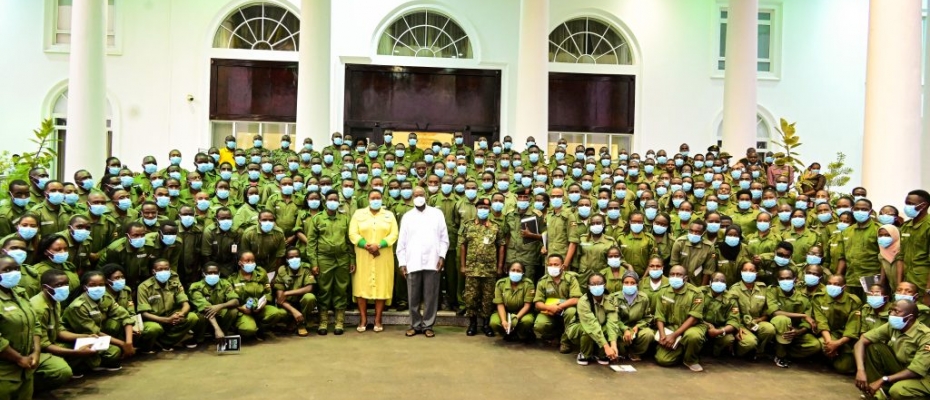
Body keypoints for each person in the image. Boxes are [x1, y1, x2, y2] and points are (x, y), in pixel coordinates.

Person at [396, 187, 449, 338]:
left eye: (421, 194)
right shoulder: (407, 216)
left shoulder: (437, 214)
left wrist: (442, 257)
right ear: (412, 197)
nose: (419, 197)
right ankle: (414, 325)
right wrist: (402, 262)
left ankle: (428, 325)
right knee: (413, 296)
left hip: (433, 261)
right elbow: (402, 242)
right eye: (416, 195)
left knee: (431, 295)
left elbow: (444, 238)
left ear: (425, 196)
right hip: (412, 261)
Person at [854, 299, 930, 399]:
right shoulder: (893, 326)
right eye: (891, 310)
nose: (892, 314)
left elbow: (916, 371)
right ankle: (878, 392)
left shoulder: (925, 336)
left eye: (896, 311)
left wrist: (884, 379)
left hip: (922, 376)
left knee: (897, 391)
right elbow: (862, 341)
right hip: (902, 367)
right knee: (873, 347)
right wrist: (860, 370)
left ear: (910, 317)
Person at [349, 190, 399, 333]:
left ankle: (378, 319)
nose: (375, 200)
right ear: (368, 199)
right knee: (361, 286)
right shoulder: (358, 214)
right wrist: (365, 245)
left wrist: (380, 245)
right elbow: (353, 233)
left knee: (382, 286)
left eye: (378, 198)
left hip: (383, 255)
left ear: (382, 199)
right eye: (373, 198)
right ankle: (363, 319)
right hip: (363, 254)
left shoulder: (389, 215)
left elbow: (394, 234)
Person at [305, 192, 355, 335]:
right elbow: (311, 243)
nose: (333, 202)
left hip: (342, 258)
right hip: (324, 259)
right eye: (330, 199)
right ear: (325, 201)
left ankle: (339, 321)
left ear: (339, 202)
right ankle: (323, 322)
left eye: (335, 200)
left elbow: (349, 241)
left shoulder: (345, 218)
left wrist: (352, 259)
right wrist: (314, 262)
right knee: (324, 290)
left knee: (341, 289)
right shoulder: (317, 219)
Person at [459, 198, 505, 337]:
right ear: (476, 208)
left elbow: (501, 246)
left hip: (489, 269)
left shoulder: (495, 227)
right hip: (472, 269)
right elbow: (462, 245)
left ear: (490, 209)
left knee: (488, 298)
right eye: (480, 207)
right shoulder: (468, 225)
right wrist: (463, 265)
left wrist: (500, 266)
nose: (483, 210)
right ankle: (472, 324)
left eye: (486, 207)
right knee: (471, 297)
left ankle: (486, 324)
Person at [136, 259, 202, 351]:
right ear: (153, 271)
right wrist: (167, 320)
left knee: (192, 317)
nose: (164, 271)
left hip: (171, 316)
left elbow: (185, 304)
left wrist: (180, 314)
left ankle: (165, 343)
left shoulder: (174, 283)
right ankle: (147, 347)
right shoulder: (144, 287)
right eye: (160, 269)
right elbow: (144, 313)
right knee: (153, 329)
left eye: (166, 269)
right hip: (154, 319)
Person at [0, 255, 41, 399]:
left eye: (16, 269)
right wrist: (18, 358)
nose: (13, 272)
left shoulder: (20, 293)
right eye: (7, 269)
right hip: (4, 373)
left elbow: (35, 324)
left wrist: (36, 352)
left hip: (26, 369)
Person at [28, 270, 77, 388]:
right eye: (59, 285)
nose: (64, 288)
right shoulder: (39, 308)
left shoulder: (55, 300)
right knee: (63, 370)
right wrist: (75, 352)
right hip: (36, 350)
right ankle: (31, 384)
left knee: (87, 346)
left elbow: (58, 329)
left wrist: (85, 337)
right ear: (45, 287)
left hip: (51, 342)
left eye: (66, 284)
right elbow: (43, 344)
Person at [654, 265, 707, 372]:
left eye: (679, 275)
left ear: (685, 278)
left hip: (692, 327)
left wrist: (674, 335)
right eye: (672, 274)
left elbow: (693, 318)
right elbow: (659, 316)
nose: (675, 277)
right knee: (662, 360)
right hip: (671, 327)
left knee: (693, 336)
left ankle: (690, 360)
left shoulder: (696, 293)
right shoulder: (663, 291)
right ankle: (681, 350)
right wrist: (663, 335)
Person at [228, 251, 285, 340]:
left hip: (259, 307)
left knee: (276, 313)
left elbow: (268, 291)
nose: (250, 263)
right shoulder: (232, 279)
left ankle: (260, 329)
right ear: (240, 263)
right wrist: (240, 308)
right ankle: (243, 329)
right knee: (248, 329)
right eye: (247, 261)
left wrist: (264, 303)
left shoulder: (261, 274)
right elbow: (231, 298)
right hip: (243, 310)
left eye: (252, 260)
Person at [566, 273, 620, 366]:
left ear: (605, 284)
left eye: (599, 283)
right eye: (593, 284)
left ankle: (601, 354)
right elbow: (591, 324)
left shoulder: (611, 299)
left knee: (609, 329)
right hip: (580, 328)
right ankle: (584, 354)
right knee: (587, 330)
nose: (596, 286)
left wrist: (613, 345)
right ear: (588, 286)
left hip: (600, 326)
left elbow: (612, 322)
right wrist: (607, 347)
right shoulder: (583, 301)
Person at [813, 274, 862, 374]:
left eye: (836, 284)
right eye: (829, 284)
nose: (832, 286)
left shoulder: (854, 301)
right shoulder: (819, 298)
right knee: (822, 344)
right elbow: (821, 322)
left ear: (844, 287)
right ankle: (826, 359)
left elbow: (852, 326)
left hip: (846, 338)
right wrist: (830, 343)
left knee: (845, 368)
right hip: (829, 335)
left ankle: (835, 357)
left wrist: (838, 343)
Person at [533, 255, 582, 353]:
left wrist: (559, 307)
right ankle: (554, 335)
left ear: (562, 266)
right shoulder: (542, 281)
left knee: (571, 312)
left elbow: (576, 299)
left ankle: (565, 341)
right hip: (549, 311)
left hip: (566, 309)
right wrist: (550, 308)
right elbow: (537, 303)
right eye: (550, 264)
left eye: (556, 264)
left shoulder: (571, 278)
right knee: (539, 325)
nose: (553, 267)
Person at [187, 262, 239, 343]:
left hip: (219, 315)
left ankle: (221, 335)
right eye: (209, 273)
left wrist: (219, 306)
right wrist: (217, 329)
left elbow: (235, 301)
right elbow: (206, 309)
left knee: (233, 311)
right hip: (204, 317)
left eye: (215, 272)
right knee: (199, 316)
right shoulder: (195, 286)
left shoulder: (224, 283)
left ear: (219, 273)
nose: (213, 275)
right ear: (203, 274)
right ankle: (199, 338)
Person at [611, 270, 654, 361]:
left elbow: (647, 317)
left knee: (648, 334)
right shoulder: (614, 297)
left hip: (636, 329)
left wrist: (638, 326)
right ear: (622, 283)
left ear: (637, 284)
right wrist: (625, 329)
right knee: (616, 338)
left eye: (632, 283)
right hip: (619, 328)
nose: (629, 285)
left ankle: (635, 353)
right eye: (626, 283)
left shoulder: (643, 298)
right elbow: (613, 318)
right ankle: (623, 352)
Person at [489, 262, 535, 342]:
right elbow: (500, 304)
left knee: (527, 321)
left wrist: (516, 317)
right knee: (494, 322)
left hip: (522, 312)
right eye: (513, 270)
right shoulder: (501, 283)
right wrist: (503, 320)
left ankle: (522, 333)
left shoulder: (528, 284)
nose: (515, 272)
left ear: (523, 273)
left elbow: (527, 305)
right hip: (506, 312)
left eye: (518, 271)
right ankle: (507, 333)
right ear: (508, 271)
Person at [899, 190, 930, 301]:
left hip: (922, 282)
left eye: (911, 204)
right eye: (906, 203)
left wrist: (928, 290)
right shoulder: (906, 226)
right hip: (906, 282)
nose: (907, 207)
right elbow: (900, 256)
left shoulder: (928, 226)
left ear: (924, 205)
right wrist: (899, 284)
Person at [879, 224, 902, 291]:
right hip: (891, 286)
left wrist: (899, 287)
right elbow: (883, 265)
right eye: (880, 235)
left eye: (887, 235)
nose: (883, 237)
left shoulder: (900, 249)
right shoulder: (883, 249)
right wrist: (881, 282)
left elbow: (900, 267)